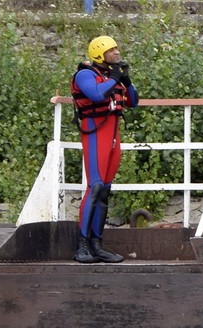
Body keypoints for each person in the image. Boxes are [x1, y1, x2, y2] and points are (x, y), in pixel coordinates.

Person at [71, 36, 138, 263]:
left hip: (112, 134)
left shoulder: (113, 77)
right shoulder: (85, 74)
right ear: (100, 54)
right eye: (112, 50)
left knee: (105, 189)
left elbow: (134, 101)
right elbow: (96, 94)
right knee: (95, 186)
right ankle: (81, 245)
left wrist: (126, 82)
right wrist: (116, 78)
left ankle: (97, 245)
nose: (117, 52)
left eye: (117, 48)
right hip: (95, 131)